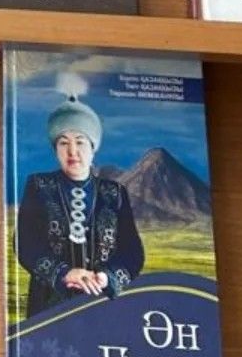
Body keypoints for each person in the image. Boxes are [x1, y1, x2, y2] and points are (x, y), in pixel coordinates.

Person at [14, 83, 145, 320]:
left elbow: (132, 253)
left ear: (93, 148)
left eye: (80, 141)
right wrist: (63, 273)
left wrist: (106, 277)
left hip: (101, 303)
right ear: (55, 149)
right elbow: (25, 243)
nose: (72, 151)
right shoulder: (39, 186)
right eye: (63, 143)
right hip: (49, 304)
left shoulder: (114, 193)